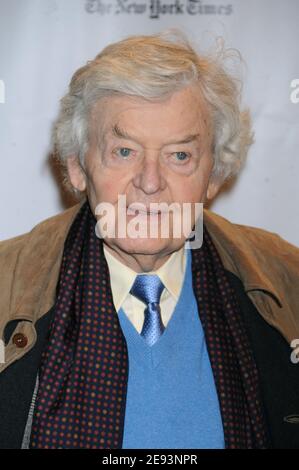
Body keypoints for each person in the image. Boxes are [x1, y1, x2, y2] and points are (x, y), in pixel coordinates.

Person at [0, 29, 298, 450]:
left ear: (214, 174)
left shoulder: (287, 279)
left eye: (180, 155)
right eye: (124, 151)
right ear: (77, 167)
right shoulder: (5, 286)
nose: (151, 182)